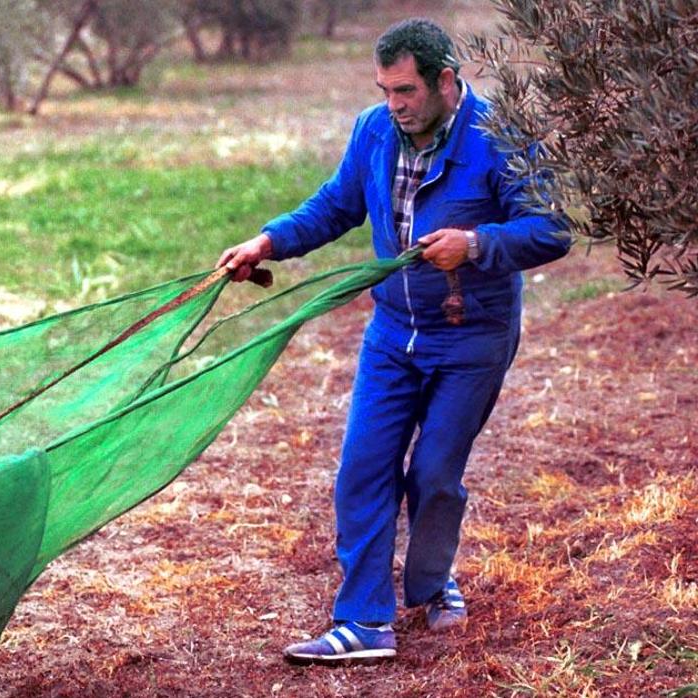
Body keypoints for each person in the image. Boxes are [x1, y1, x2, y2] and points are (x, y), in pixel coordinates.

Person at [217, 18, 569, 665]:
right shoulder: (375, 131)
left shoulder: (501, 134)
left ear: (444, 80)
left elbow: (552, 230)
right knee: (362, 469)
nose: (394, 104)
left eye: (405, 90)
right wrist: (268, 242)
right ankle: (363, 622)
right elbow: (335, 206)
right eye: (385, 90)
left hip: (473, 337)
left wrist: (479, 244)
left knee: (434, 474)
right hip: (392, 335)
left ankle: (433, 582)